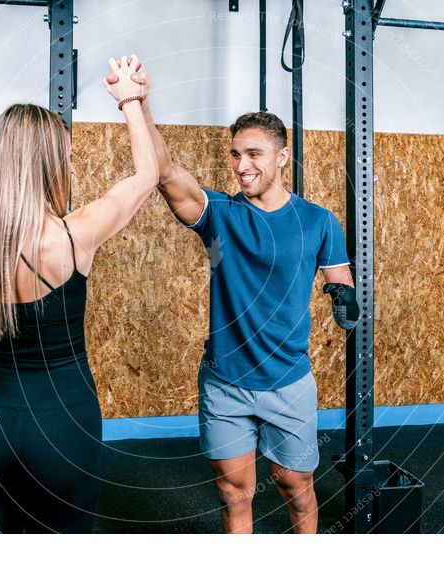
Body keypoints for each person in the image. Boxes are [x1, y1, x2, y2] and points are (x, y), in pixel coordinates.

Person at [107, 62, 359, 534]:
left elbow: (338, 276)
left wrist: (342, 295)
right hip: (226, 384)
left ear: (283, 158)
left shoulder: (318, 221)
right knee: (234, 494)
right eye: (236, 154)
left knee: (296, 488)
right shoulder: (218, 214)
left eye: (255, 154)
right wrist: (135, 103)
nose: (243, 166)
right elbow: (163, 172)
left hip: (289, 381)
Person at [0, 55, 156, 533]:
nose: (74, 170)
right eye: (69, 159)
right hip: (66, 425)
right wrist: (131, 102)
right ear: (49, 163)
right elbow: (146, 175)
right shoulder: (75, 235)